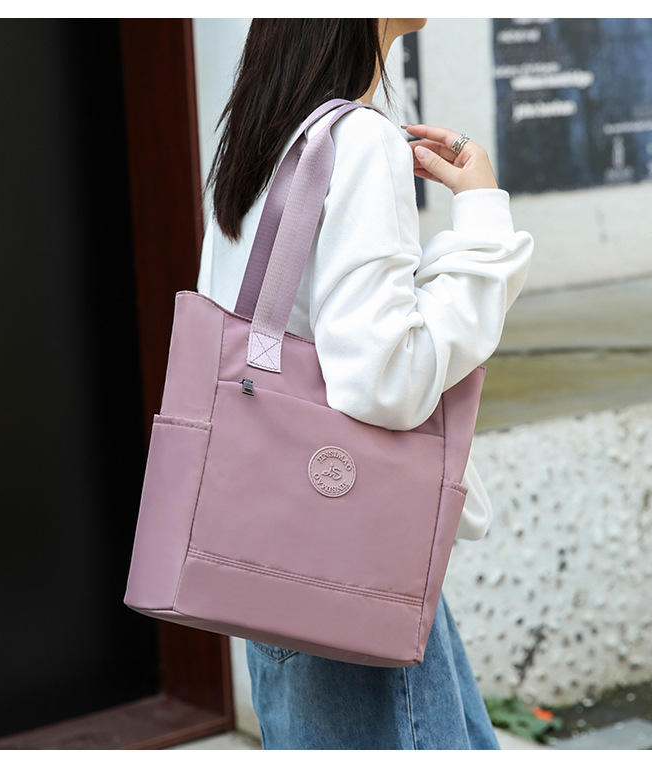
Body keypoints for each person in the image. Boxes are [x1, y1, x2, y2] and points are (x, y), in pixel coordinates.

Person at [197, 18, 534, 750]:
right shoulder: (358, 141)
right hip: (349, 555)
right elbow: (387, 380)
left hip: (275, 541)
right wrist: (483, 219)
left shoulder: (264, 130)